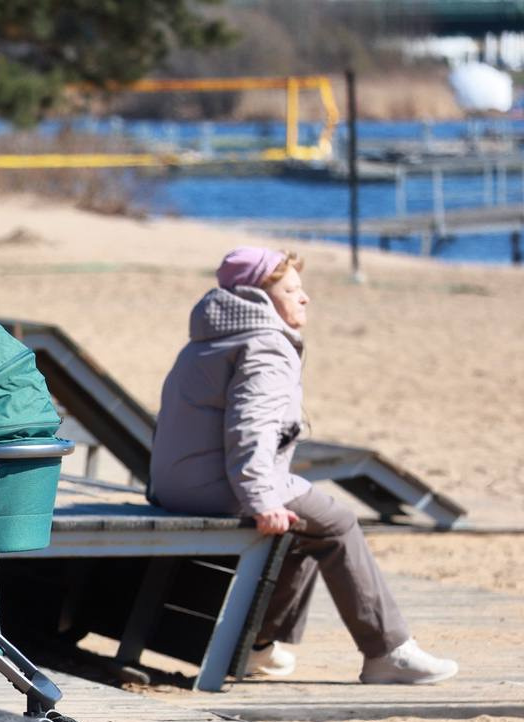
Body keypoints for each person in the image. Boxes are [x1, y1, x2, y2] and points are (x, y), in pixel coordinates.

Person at [148, 246, 458, 685]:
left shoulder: (209, 338)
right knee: (338, 522)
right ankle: (388, 650)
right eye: (292, 288)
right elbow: (249, 431)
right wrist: (260, 499)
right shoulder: (266, 344)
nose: (305, 297)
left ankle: (256, 647)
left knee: (305, 523)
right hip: (222, 483)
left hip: (177, 483)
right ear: (259, 297)